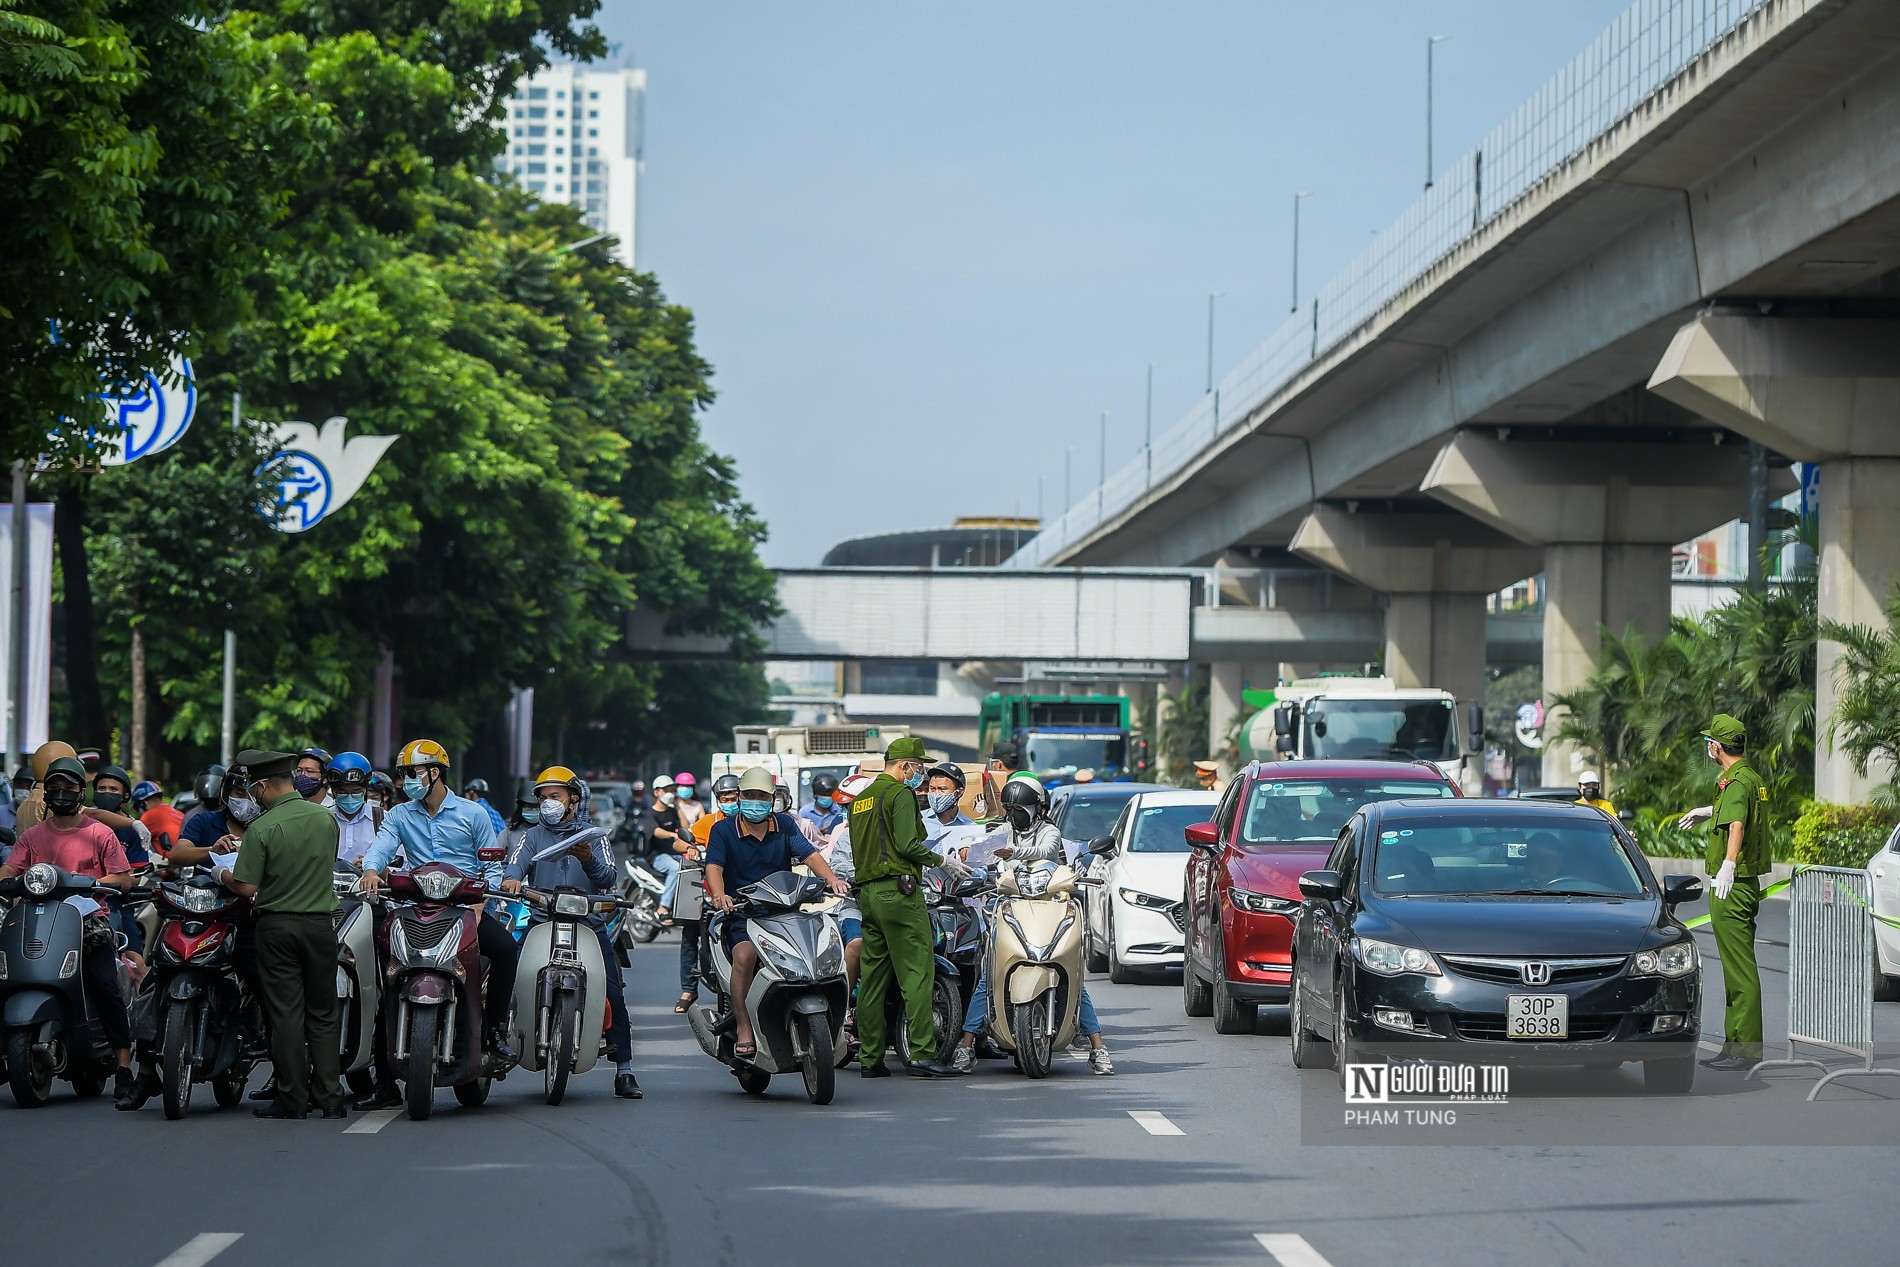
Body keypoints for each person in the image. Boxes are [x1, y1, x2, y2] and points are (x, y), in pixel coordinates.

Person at [357, 739, 519, 1077]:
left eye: (411, 773)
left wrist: (478, 906)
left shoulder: (472, 813)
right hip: (415, 909)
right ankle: (383, 1072)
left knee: (505, 949)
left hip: (464, 909)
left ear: (434, 772)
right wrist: (371, 870)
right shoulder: (399, 814)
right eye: (402, 774)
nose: (405, 782)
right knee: (386, 968)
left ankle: (494, 1031)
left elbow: (490, 867)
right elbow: (380, 848)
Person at [209, 750, 345, 1119]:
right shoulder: (325, 819)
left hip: (278, 927)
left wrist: (220, 875)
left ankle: (293, 1098)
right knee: (323, 1014)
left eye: (255, 789)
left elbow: (246, 886)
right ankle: (331, 1098)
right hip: (320, 926)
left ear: (265, 785)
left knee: (286, 1014)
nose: (255, 796)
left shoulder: (263, 827)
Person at [946, 777, 1114, 1076]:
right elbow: (982, 850)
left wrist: (1015, 854)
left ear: (1038, 808)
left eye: (1020, 808)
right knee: (990, 976)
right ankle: (966, 1045)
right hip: (1012, 908)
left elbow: (1047, 851)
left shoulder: (1050, 831)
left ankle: (1098, 1047)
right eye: (1010, 808)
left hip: (1049, 908)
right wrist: (968, 853)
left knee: (1072, 974)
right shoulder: (1003, 831)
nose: (1014, 814)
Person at [0, 756, 140, 1105]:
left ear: (82, 791)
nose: (62, 793)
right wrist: (12, 882)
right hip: (36, 920)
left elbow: (123, 878)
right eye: (55, 787)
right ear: (45, 792)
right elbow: (8, 871)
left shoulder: (100, 833)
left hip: (88, 922)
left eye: (69, 788)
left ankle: (123, 1068)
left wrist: (93, 882)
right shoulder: (32, 836)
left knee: (106, 986)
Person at [500, 766, 641, 1099]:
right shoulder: (530, 836)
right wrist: (512, 879)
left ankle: (625, 1069)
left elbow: (607, 879)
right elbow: (515, 864)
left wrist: (589, 859)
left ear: (573, 800)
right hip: (539, 921)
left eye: (555, 797)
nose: (548, 803)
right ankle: (496, 1045)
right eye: (544, 798)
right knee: (506, 979)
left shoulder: (594, 836)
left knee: (614, 993)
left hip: (588, 924)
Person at [703, 767, 850, 1062]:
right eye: (749, 796)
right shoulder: (723, 830)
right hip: (743, 914)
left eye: (761, 796)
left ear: (772, 800)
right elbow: (714, 868)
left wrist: (831, 879)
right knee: (745, 956)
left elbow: (810, 855)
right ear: (741, 797)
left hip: (784, 911)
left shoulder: (784, 825)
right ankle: (744, 1025)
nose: (755, 801)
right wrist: (720, 896)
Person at [850, 736, 962, 1078]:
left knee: (872, 980)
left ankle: (870, 1058)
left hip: (868, 895)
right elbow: (908, 843)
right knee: (917, 973)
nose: (923, 775)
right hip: (899, 893)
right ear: (904, 766)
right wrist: (942, 861)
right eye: (920, 767)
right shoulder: (899, 794)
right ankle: (921, 1053)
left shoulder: (861, 800)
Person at [1676, 714, 1770, 1071]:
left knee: (1740, 971)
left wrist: (1729, 863)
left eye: (1709, 743)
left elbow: (1737, 824)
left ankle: (1745, 1050)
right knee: (1734, 969)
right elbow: (1735, 813)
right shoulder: (1750, 778)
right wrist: (1708, 811)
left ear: (1717, 747)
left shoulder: (1734, 783)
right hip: (1742, 883)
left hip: (1732, 884)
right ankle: (1734, 1045)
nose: (1708, 748)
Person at [326, 751, 382, 867]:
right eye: (342, 793)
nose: (349, 797)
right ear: (334, 792)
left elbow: (397, 867)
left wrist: (371, 864)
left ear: (366, 790)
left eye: (356, 792)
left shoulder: (383, 820)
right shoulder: (323, 819)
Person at [132, 779, 183, 852]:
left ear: (144, 804)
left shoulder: (149, 815)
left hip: (173, 861)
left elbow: (134, 839)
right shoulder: (178, 813)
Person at [798, 773, 844, 838]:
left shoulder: (840, 811)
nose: (827, 798)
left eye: (829, 795)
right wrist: (816, 832)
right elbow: (800, 833)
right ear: (815, 794)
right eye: (823, 795)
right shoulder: (805, 812)